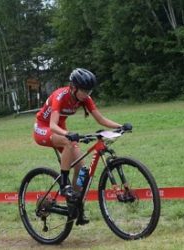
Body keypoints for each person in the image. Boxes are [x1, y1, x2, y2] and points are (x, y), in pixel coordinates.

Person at [33, 68, 131, 225]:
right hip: (43, 128)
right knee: (68, 142)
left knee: (81, 169)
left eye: (89, 90)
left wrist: (121, 127)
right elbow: (52, 125)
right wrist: (68, 134)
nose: (87, 94)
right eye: (84, 90)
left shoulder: (85, 98)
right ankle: (64, 184)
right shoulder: (60, 96)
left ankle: (75, 206)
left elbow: (100, 119)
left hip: (60, 129)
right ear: (73, 87)